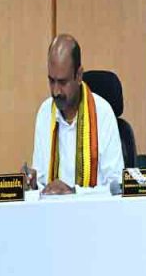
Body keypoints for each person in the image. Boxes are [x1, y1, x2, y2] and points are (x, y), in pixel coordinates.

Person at [28, 34, 123, 194]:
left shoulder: (103, 113)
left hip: (95, 214)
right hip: (52, 214)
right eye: (51, 81)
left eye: (63, 82)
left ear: (79, 75)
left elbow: (117, 186)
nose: (56, 91)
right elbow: (41, 182)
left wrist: (74, 193)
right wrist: (33, 185)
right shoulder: (45, 113)